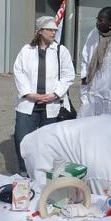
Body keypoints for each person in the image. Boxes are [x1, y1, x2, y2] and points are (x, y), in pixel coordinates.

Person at [13, 16, 75, 174]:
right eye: (50, 30)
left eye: (55, 30)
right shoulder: (26, 51)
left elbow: (69, 75)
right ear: (39, 31)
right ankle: (24, 173)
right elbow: (18, 72)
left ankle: (47, 174)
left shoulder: (61, 51)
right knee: (23, 140)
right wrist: (28, 94)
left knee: (50, 144)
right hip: (29, 105)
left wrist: (55, 94)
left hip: (52, 105)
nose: (53, 33)